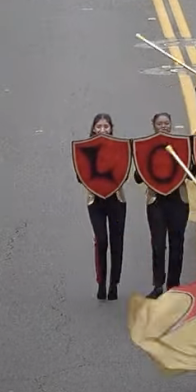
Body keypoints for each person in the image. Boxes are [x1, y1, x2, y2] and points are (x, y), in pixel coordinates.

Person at [136, 112, 190, 298]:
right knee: (158, 244)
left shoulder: (181, 146)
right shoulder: (146, 146)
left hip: (178, 200)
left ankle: (174, 284)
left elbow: (191, 171)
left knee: (177, 243)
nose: (164, 126)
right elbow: (137, 176)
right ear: (153, 125)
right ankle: (158, 284)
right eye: (160, 123)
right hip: (156, 201)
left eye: (167, 123)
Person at [79, 113, 126, 300]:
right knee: (102, 241)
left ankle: (114, 283)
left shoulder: (120, 148)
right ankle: (101, 282)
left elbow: (124, 173)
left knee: (117, 243)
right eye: (99, 127)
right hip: (95, 201)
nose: (102, 130)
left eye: (106, 126)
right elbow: (79, 175)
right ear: (93, 129)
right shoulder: (85, 150)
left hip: (117, 200)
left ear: (111, 128)